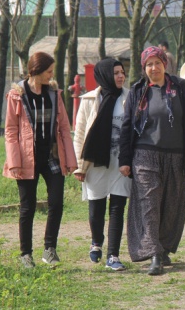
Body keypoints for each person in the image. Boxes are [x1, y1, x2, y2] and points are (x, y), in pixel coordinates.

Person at [118, 46, 185, 276]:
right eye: (149, 64)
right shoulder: (138, 91)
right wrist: (124, 159)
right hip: (144, 155)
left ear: (164, 65)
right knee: (149, 205)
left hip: (176, 155)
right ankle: (155, 254)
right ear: (144, 68)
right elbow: (127, 126)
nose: (154, 68)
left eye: (157, 63)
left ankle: (165, 246)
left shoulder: (180, 87)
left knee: (171, 205)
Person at [3, 51, 77, 268]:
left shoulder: (54, 94)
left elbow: (64, 127)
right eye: (49, 71)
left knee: (56, 203)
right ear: (36, 71)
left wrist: (70, 159)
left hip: (53, 156)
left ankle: (49, 249)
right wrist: (14, 162)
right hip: (27, 158)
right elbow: (10, 130)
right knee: (28, 207)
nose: (51, 75)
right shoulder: (17, 94)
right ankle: (25, 254)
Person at [73, 58, 131, 271]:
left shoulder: (129, 98)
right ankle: (96, 242)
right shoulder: (89, 100)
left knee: (118, 207)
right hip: (95, 161)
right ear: (106, 74)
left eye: (122, 72)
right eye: (116, 72)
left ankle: (113, 256)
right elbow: (80, 134)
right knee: (96, 207)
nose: (120, 76)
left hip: (120, 164)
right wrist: (80, 166)